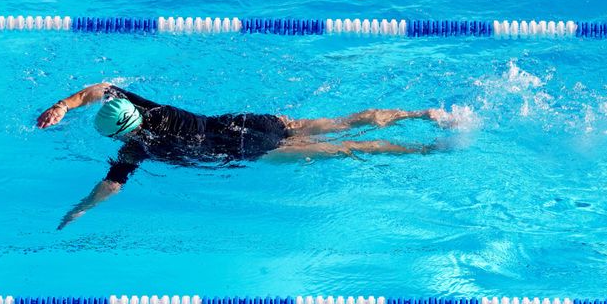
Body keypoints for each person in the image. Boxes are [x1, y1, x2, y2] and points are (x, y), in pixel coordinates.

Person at [37, 83, 451, 229]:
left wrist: (82, 208)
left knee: (344, 149)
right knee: (338, 122)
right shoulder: (150, 108)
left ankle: (424, 149)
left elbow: (112, 185)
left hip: (244, 148)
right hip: (247, 121)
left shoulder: (136, 147)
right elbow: (102, 87)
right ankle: (421, 113)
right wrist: (64, 104)